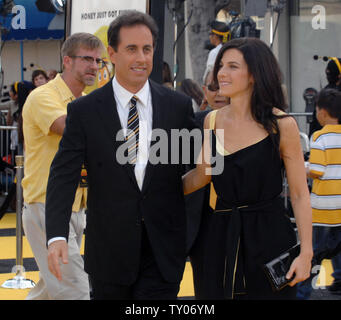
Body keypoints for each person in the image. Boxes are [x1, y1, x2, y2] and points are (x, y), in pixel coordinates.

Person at [45, 10, 195, 300]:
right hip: (109, 254)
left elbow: (191, 172)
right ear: (112, 54)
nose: (141, 58)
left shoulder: (178, 106)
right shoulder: (85, 111)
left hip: (164, 254)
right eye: (131, 49)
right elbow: (63, 176)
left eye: (147, 49)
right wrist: (56, 235)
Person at [182, 38, 313, 299]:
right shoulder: (211, 120)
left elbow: (299, 194)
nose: (221, 73)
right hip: (220, 236)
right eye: (221, 66)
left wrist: (306, 253)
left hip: (270, 238)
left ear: (254, 74)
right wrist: (154, 187)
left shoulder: (281, 124)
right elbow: (203, 175)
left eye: (232, 66)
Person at [22, 32, 105, 300]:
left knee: (50, 291)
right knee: (75, 291)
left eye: (98, 61)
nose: (94, 66)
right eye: (87, 59)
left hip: (75, 205)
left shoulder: (84, 103)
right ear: (67, 61)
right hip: (46, 204)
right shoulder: (42, 96)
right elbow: (68, 128)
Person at [186, 68, 229, 299]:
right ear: (205, 91)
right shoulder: (193, 124)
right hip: (203, 221)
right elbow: (181, 173)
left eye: (223, 85)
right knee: (206, 290)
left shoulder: (254, 125)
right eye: (213, 87)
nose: (219, 92)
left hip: (242, 221)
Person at [297, 88, 341, 299]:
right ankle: (339, 280)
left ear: (321, 112)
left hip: (323, 208)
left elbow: (318, 170)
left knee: (313, 252)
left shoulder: (318, 137)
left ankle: (304, 290)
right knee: (339, 249)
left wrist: (304, 166)